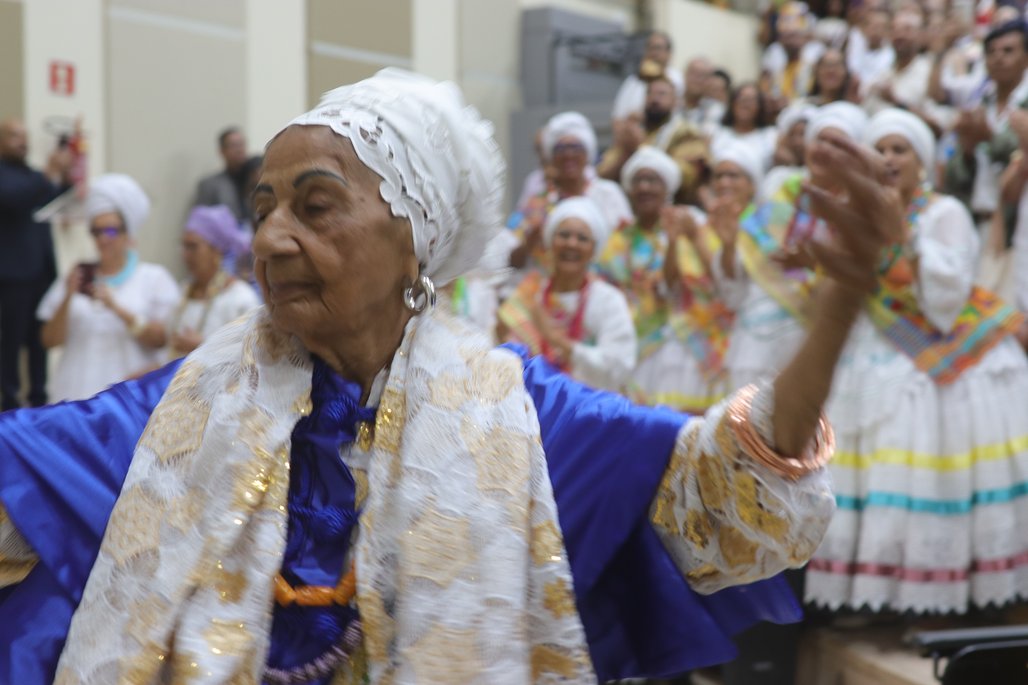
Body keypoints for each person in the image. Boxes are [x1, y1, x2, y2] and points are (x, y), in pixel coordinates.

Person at [0, 69, 903, 684]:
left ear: (414, 245)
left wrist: (835, 308)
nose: (273, 239)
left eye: (316, 207)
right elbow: (17, 478)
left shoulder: (520, 420)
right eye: (264, 209)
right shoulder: (186, 413)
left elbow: (722, 494)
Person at [806, 109, 1028, 614]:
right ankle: (872, 598)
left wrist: (900, 234)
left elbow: (945, 302)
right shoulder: (858, 214)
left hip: (931, 349)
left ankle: (937, 595)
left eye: (899, 149)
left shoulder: (944, 212)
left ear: (921, 162)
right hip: (872, 347)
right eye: (880, 149)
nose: (888, 158)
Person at [598, 147, 732, 412]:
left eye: (653, 181)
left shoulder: (691, 223)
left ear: (667, 188)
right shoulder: (618, 238)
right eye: (638, 181)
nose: (645, 187)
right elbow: (606, 290)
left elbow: (701, 280)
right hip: (637, 341)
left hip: (687, 338)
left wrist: (673, 243)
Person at [36, 174, 179, 401]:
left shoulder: (153, 278)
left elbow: (161, 339)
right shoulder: (75, 277)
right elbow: (48, 340)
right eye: (96, 231)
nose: (103, 239)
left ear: (127, 232)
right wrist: (68, 296)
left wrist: (116, 308)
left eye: (111, 231)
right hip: (75, 399)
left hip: (127, 403)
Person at [498, 197, 636, 391]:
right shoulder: (530, 296)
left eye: (582, 238)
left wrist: (554, 339)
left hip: (589, 410)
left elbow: (618, 367)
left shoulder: (608, 300)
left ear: (593, 250)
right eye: (564, 235)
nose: (572, 244)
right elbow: (504, 354)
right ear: (550, 243)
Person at [0, 118, 71, 411]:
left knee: (38, 341)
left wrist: (65, 174)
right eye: (15, 136)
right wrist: (50, 172)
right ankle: (10, 401)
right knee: (11, 342)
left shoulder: (30, 175)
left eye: (25, 136)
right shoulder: (8, 177)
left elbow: (50, 198)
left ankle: (40, 398)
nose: (23, 141)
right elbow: (14, 196)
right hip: (13, 276)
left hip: (41, 273)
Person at [505, 111, 631, 275]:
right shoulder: (538, 202)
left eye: (576, 147)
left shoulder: (608, 194)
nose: (568, 154)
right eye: (561, 149)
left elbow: (630, 250)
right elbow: (512, 262)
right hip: (549, 295)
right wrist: (530, 241)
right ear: (551, 157)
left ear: (588, 155)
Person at [944, 20, 1028, 255]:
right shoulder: (977, 104)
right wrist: (968, 152)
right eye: (991, 52)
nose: (998, 58)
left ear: (1026, 58)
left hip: (1018, 226)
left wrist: (989, 137)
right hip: (975, 221)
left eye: (1008, 50)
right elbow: (954, 177)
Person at [166, 205, 260, 361]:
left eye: (193, 246)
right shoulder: (184, 290)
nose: (185, 254)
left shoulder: (241, 299)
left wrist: (203, 346)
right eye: (184, 245)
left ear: (216, 250)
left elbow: (252, 357)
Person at [598, 77, 710, 205]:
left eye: (662, 94)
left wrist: (640, 148)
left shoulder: (688, 132)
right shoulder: (633, 131)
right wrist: (625, 154)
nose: (654, 99)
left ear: (675, 101)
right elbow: (603, 174)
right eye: (649, 93)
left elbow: (687, 175)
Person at [611, 30, 685, 121]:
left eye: (658, 48)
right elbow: (617, 116)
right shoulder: (633, 81)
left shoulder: (678, 79)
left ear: (669, 53)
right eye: (650, 48)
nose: (654, 53)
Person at [713, 84, 779, 174]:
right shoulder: (717, 134)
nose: (745, 104)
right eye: (741, 99)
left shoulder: (771, 136)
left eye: (751, 100)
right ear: (733, 103)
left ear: (760, 106)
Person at [195, 126, 250, 222]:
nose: (239, 150)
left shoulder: (256, 180)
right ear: (222, 151)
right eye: (233, 145)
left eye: (241, 145)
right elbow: (201, 222)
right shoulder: (210, 184)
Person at [762, 102, 816, 201]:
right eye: (792, 135)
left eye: (802, 134)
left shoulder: (819, 174)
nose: (797, 142)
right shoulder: (776, 175)